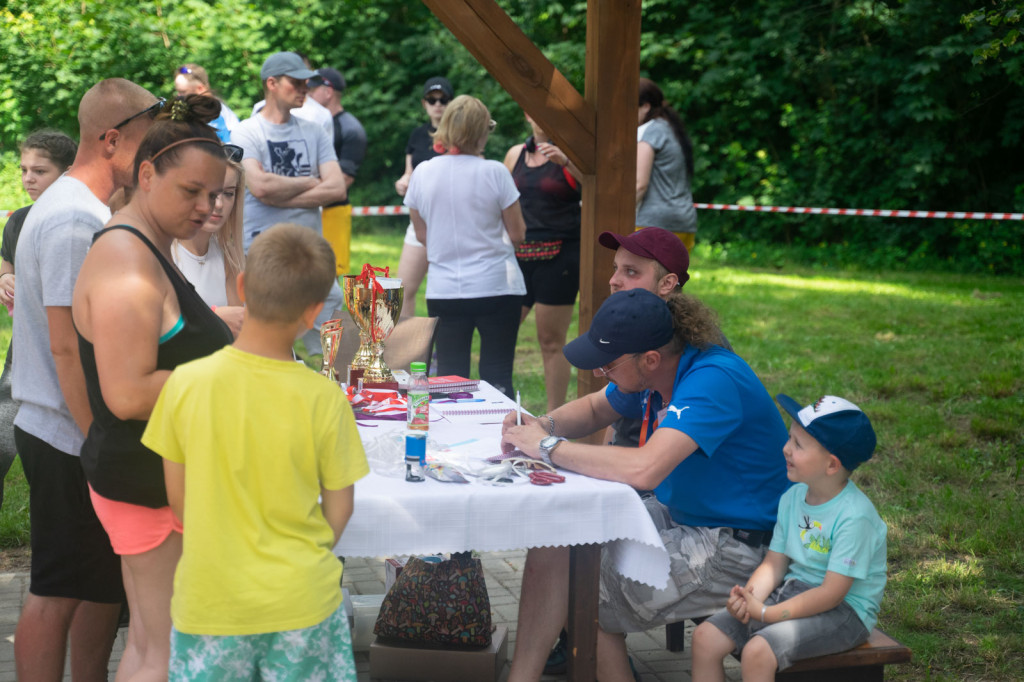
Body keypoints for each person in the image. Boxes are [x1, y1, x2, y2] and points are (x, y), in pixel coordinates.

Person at [500, 289, 791, 682]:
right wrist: (540, 426)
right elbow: (594, 408)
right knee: (557, 539)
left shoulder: (712, 381)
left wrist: (548, 447)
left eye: (608, 366)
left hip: (737, 544)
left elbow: (644, 469)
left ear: (650, 359)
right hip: (689, 517)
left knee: (586, 597)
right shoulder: (658, 367)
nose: (602, 371)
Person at [142, 224, 370, 682]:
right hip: (303, 600)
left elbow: (179, 501)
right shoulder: (325, 398)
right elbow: (340, 507)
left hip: (211, 601)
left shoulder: (184, 384)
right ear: (312, 314)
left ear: (242, 286)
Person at [72, 94, 235, 680]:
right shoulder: (126, 260)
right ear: (146, 173)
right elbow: (128, 391)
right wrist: (237, 380)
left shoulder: (145, 246)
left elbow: (164, 339)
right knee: (167, 650)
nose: (207, 206)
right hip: (146, 479)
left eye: (215, 194)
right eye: (191, 191)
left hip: (154, 474)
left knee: (149, 643)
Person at [12, 77, 161, 682]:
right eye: (148, 141)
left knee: (99, 585)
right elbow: (67, 344)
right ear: (111, 140)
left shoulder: (88, 209)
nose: (154, 157)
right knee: (56, 589)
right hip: (66, 432)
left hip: (78, 430)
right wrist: (96, 440)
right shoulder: (75, 218)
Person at [692, 394, 886, 681]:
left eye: (798, 444)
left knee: (757, 652)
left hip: (844, 613)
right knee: (705, 637)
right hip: (794, 593)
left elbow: (832, 593)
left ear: (832, 465)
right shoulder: (793, 496)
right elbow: (774, 564)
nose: (785, 449)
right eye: (789, 438)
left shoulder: (855, 517)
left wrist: (769, 614)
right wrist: (750, 598)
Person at [404, 95, 527, 398]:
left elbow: (422, 235)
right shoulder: (495, 172)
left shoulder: (423, 172)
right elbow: (518, 233)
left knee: (448, 378)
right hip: (496, 285)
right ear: (482, 131)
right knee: (497, 376)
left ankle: (451, 444)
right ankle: (504, 442)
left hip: (445, 288)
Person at [231, 51, 347, 355]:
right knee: (263, 336)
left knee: (333, 336)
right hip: (262, 252)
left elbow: (336, 187)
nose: (304, 89)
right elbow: (259, 186)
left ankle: (329, 385)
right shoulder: (246, 131)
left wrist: (277, 191)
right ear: (271, 83)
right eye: (295, 82)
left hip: (310, 251)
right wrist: (311, 181)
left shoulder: (314, 130)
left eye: (306, 82)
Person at [0, 130, 77, 511]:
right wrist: (4, 278)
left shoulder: (76, 219)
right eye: (24, 170)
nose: (28, 178)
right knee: (2, 442)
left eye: (40, 171)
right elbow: (6, 267)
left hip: (65, 350)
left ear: (65, 174)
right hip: (24, 352)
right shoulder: (18, 222)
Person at [503, 112, 582, 413]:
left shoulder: (573, 155)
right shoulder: (516, 154)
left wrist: (566, 162)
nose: (542, 119)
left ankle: (554, 418)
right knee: (504, 332)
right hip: (519, 256)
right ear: (526, 115)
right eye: (534, 111)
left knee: (550, 340)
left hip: (560, 256)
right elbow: (499, 198)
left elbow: (596, 188)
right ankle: (500, 407)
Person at [394, 76, 452, 319]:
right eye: (432, 99)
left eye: (443, 99)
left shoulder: (459, 136)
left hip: (451, 222)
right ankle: (409, 348)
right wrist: (403, 183)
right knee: (402, 288)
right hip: (420, 220)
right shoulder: (417, 135)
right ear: (424, 103)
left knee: (447, 293)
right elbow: (408, 174)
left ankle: (443, 349)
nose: (437, 104)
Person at [172, 156, 246, 336]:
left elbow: (237, 332)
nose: (219, 204)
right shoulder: (164, 252)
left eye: (228, 193)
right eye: (211, 192)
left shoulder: (229, 257)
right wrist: (214, 318)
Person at [308, 66, 367, 275]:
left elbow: (343, 180)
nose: (307, 92)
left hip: (333, 211)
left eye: (313, 88)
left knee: (330, 276)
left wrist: (296, 196)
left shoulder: (351, 128)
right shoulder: (310, 122)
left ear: (328, 92)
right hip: (309, 210)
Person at [636, 78, 698, 252]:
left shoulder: (652, 131)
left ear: (646, 107)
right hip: (683, 223)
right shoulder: (671, 129)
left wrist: (613, 214)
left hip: (653, 224)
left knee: (643, 277)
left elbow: (640, 184)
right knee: (673, 279)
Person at [173, 63, 240, 142]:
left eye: (183, 92)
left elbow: (229, 148)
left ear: (200, 88)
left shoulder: (216, 113)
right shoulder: (187, 111)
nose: (178, 96)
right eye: (178, 91)